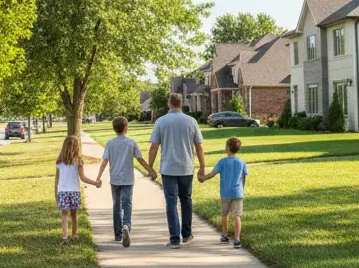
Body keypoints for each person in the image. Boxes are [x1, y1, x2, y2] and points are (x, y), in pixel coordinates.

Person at [148, 92, 207, 249]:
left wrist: (150, 168)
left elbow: (154, 147)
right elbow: (199, 147)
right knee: (186, 200)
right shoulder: (191, 121)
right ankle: (187, 235)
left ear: (169, 103)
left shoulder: (161, 121)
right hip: (186, 167)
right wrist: (202, 167)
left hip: (168, 168)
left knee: (171, 203)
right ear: (182, 104)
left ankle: (174, 239)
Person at [97, 115, 157, 247]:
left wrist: (98, 177)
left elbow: (104, 162)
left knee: (116, 206)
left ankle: (118, 235)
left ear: (114, 129)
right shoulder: (131, 142)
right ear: (126, 128)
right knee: (127, 204)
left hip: (115, 179)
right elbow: (140, 159)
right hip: (128, 179)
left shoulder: (110, 143)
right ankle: (126, 225)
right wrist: (151, 170)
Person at [199, 136, 247, 248]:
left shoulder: (222, 162)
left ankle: (225, 235)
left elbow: (212, 174)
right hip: (238, 193)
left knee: (225, 214)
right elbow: (244, 177)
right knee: (237, 215)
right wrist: (241, 189)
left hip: (226, 193)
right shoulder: (241, 162)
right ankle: (237, 239)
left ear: (228, 148)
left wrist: (203, 178)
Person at [55, 134, 100, 244]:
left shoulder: (59, 162)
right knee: (74, 215)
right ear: (76, 147)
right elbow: (83, 178)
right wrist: (95, 183)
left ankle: (65, 237)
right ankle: (74, 235)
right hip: (74, 192)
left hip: (63, 192)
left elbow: (56, 180)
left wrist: (56, 193)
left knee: (64, 215)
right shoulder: (78, 161)